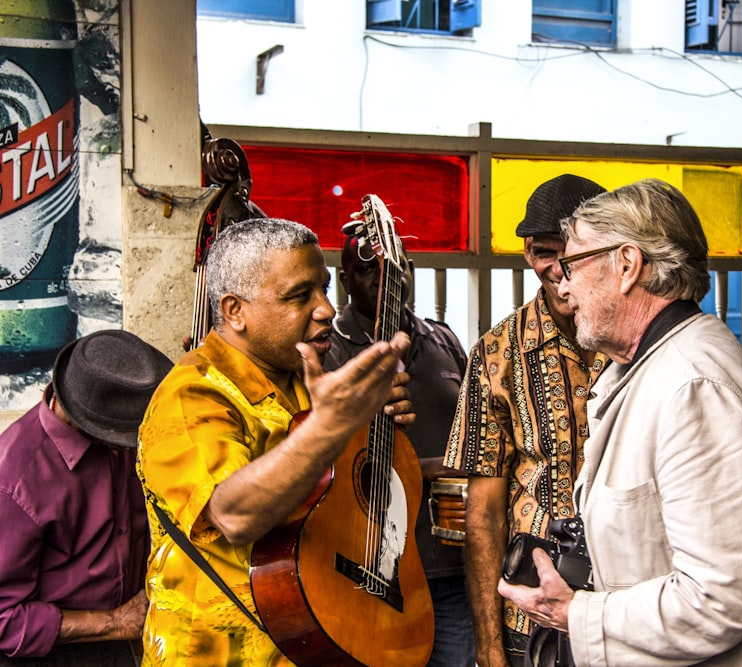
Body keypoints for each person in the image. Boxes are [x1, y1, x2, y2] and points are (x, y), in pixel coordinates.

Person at [498, 178, 742, 665]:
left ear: (627, 265)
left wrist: (579, 615)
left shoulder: (693, 386)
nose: (563, 286)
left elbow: (722, 598)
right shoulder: (657, 365)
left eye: (572, 265)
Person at [136, 218, 415, 666]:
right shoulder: (192, 394)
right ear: (234, 312)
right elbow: (232, 514)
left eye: (324, 289)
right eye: (299, 296)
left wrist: (374, 430)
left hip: (315, 642)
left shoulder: (307, 379)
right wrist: (332, 424)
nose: (325, 309)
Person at [445, 173, 610, 665]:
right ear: (526, 255)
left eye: (574, 251)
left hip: (631, 606)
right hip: (531, 614)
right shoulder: (496, 353)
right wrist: (490, 647)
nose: (560, 269)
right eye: (544, 252)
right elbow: (485, 510)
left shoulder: (637, 342)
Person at [323, 224, 475, 666]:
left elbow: (473, 429)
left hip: (447, 564)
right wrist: (423, 469)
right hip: (369, 570)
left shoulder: (443, 340)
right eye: (369, 269)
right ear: (346, 278)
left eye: (399, 266)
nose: (389, 277)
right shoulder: (328, 350)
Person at [0, 330, 173, 665]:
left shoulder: (118, 439)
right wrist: (115, 622)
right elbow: (3, 619)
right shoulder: (14, 480)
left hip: (125, 644)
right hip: (51, 655)